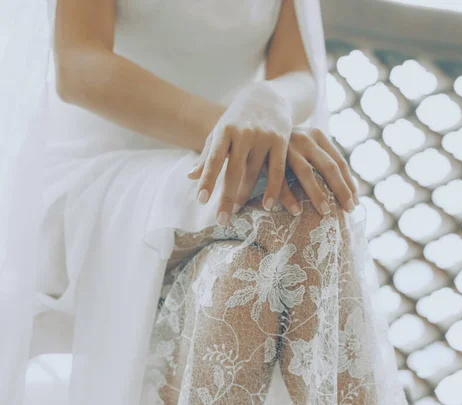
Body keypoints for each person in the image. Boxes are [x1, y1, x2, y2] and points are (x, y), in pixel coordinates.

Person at [0, 1, 408, 404]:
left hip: (211, 176)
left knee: (246, 269)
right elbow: (78, 65)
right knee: (294, 195)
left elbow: (298, 71)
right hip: (93, 179)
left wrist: (271, 102)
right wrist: (235, 133)